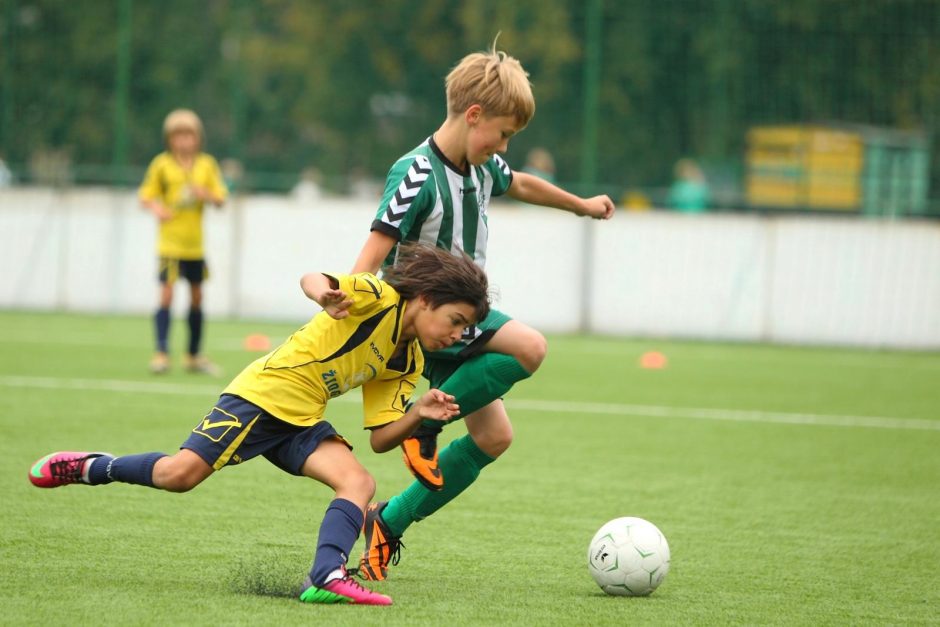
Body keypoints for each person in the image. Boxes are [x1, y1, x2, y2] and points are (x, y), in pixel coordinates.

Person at [27, 243, 491, 606]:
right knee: (178, 476)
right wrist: (322, 294)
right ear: (426, 300)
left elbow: (381, 441)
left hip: (303, 417)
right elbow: (315, 277)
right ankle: (92, 466)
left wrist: (416, 415)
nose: (455, 335)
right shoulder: (377, 297)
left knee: (358, 480)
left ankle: (326, 576)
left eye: (464, 329)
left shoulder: (408, 361)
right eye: (455, 321)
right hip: (260, 398)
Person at [346, 40, 615, 581]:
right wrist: (346, 303)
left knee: (494, 439)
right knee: (531, 346)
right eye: (505, 134)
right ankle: (423, 427)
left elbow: (523, 184)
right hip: (424, 324)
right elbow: (372, 252)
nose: (504, 147)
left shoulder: (480, 166)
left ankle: (387, 524)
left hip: (461, 324)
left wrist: (580, 205)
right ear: (474, 116)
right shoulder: (416, 172)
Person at [139, 109, 228, 375]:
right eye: (178, 136)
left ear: (197, 138)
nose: (184, 141)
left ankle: (193, 354)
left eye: (189, 135)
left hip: (195, 246)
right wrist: (158, 210)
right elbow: (146, 196)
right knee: (166, 294)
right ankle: (161, 352)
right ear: (170, 139)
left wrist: (206, 194)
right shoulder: (162, 165)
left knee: (197, 296)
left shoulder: (207, 165)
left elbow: (221, 199)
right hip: (170, 245)